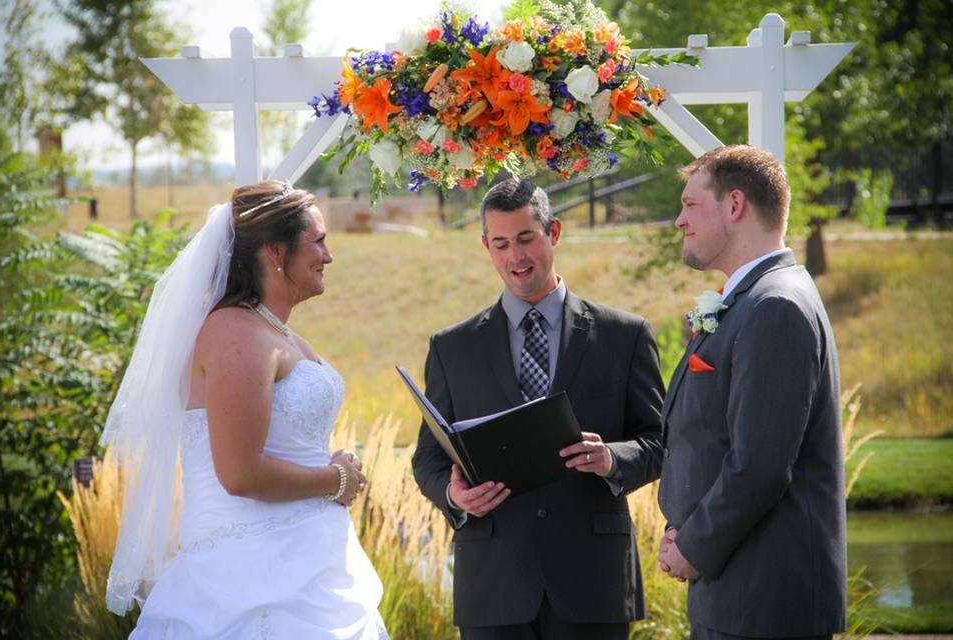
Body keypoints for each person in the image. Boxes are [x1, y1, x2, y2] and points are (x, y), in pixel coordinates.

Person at [101, 180, 388, 639]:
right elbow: (238, 472)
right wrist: (336, 480)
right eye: (318, 241)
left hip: (310, 558)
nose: (328, 256)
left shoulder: (278, 332)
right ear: (276, 253)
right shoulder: (234, 333)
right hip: (248, 572)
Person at [411, 178, 665, 639]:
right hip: (493, 585)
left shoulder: (624, 335)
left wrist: (612, 459)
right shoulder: (452, 347)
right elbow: (428, 457)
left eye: (526, 238)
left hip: (593, 584)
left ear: (555, 232)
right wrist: (454, 497)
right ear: (486, 246)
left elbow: (660, 441)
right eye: (501, 244)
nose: (516, 257)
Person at [657, 145, 846, 639]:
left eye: (690, 204)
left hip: (765, 604)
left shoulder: (775, 306)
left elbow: (760, 465)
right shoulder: (755, 297)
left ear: (734, 205)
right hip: (739, 594)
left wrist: (692, 547)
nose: (680, 220)